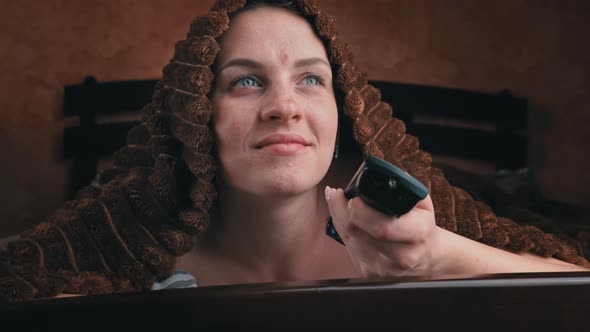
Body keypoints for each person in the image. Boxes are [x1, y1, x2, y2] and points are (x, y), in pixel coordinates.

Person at [2, 0, 588, 302]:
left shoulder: (409, 220)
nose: (287, 107)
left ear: (344, 114)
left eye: (311, 80)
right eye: (246, 81)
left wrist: (436, 257)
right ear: (195, 117)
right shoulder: (132, 240)